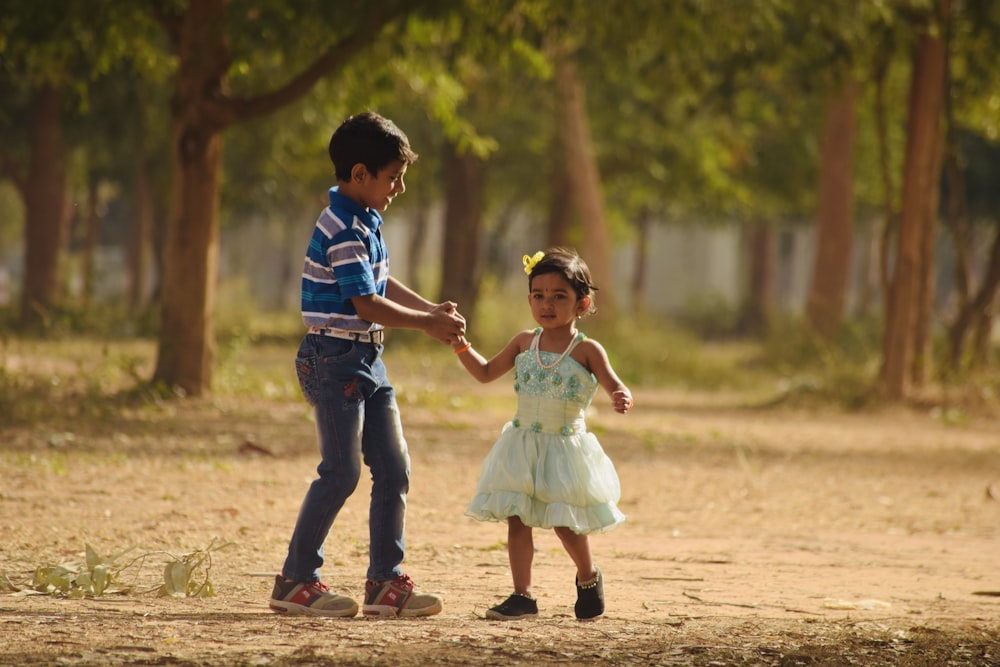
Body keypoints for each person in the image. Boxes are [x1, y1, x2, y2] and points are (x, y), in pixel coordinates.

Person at [269, 112, 466, 619]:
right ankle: (296, 580)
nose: (399, 187)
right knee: (341, 472)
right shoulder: (339, 225)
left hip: (367, 359)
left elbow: (381, 285)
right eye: (393, 176)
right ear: (360, 174)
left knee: (394, 468)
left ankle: (385, 582)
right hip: (334, 359)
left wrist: (430, 310)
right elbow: (365, 303)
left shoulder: (365, 220)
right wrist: (426, 326)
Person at [451, 247, 633, 621]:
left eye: (559, 296)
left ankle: (587, 576)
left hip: (564, 448)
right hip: (521, 446)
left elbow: (613, 382)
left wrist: (620, 394)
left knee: (565, 523)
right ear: (530, 299)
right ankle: (522, 595)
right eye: (539, 295)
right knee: (517, 518)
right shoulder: (523, 342)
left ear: (582, 304)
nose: (546, 304)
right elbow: (485, 372)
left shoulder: (586, 350)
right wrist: (459, 344)